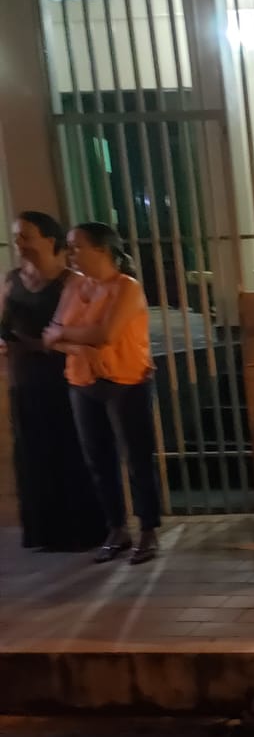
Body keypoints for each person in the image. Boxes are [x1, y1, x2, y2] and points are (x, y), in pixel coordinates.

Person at [43, 222, 160, 564]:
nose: (71, 253)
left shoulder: (126, 287)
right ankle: (116, 529)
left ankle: (148, 530)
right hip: (82, 381)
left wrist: (67, 334)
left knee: (137, 459)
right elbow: (50, 335)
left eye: (77, 246)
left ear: (102, 250)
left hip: (126, 381)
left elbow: (106, 333)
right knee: (98, 459)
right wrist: (81, 347)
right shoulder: (74, 285)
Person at [0, 211, 105, 551]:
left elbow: (81, 331)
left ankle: (82, 532)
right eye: (17, 236)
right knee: (34, 454)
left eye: (26, 236)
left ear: (50, 239)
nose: (19, 243)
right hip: (23, 378)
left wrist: (41, 342)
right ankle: (46, 532)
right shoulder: (11, 280)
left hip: (63, 378)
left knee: (70, 451)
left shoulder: (72, 282)